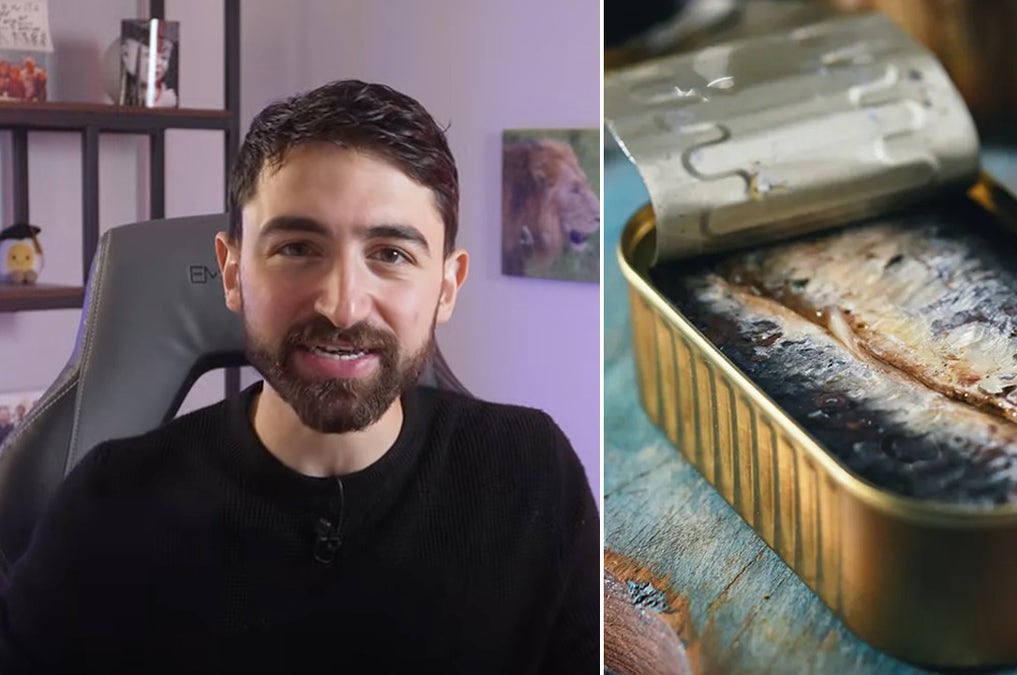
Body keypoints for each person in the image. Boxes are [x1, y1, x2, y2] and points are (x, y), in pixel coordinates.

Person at [0, 80, 600, 673]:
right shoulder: (111, 505)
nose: (342, 306)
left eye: (390, 255)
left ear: (446, 287)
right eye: (296, 248)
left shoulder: (531, 476)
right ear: (233, 273)